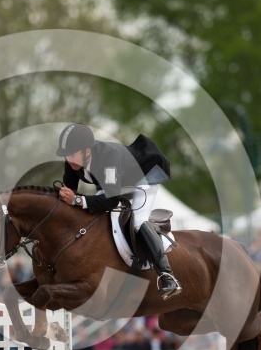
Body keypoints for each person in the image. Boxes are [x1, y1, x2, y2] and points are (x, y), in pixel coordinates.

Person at [55, 123, 182, 299]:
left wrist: (77, 200)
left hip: (142, 181)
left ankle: (167, 275)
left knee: (138, 221)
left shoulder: (108, 156)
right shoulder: (72, 162)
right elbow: (68, 193)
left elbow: (112, 200)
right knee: (94, 215)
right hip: (116, 185)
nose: (69, 159)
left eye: (72, 154)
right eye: (66, 155)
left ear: (87, 151)